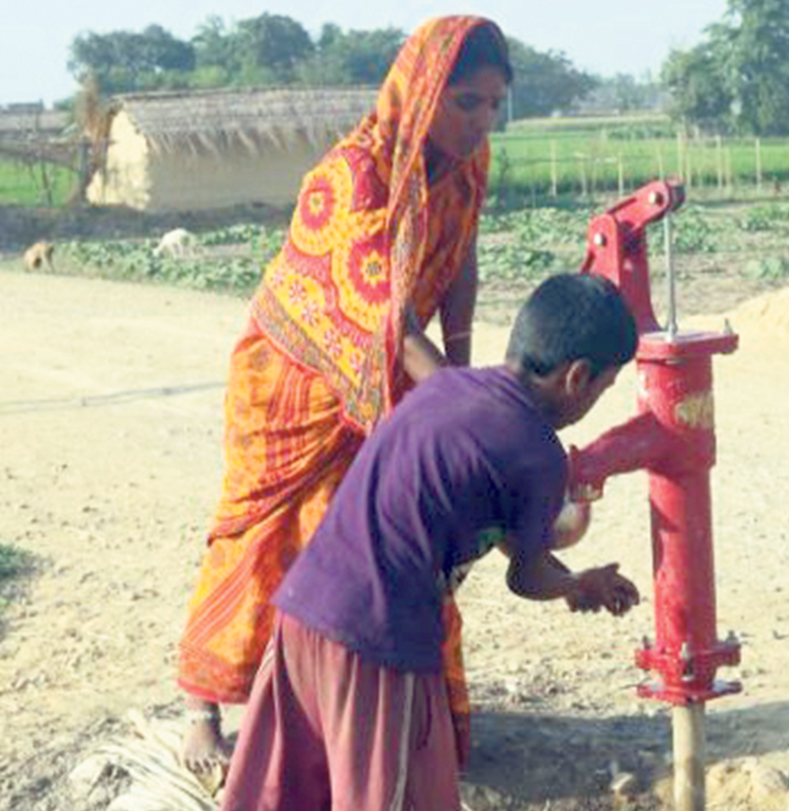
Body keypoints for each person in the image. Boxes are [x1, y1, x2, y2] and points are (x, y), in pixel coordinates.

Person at [175, 16, 511, 773]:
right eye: (466, 102)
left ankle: (362, 712)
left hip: (386, 368)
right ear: (421, 89)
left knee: (379, 534)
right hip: (290, 383)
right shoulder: (356, 175)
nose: (480, 121)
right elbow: (383, 321)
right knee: (262, 534)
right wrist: (467, 408)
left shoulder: (467, 160)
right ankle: (202, 705)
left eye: (494, 105)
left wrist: (462, 370)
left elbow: (460, 263)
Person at [218, 273, 642, 811]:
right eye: (604, 388)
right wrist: (578, 583)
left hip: (301, 617)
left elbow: (498, 525)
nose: (597, 400)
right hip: (379, 643)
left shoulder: (445, 385)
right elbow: (526, 574)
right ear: (578, 377)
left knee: (291, 795)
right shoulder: (539, 454)